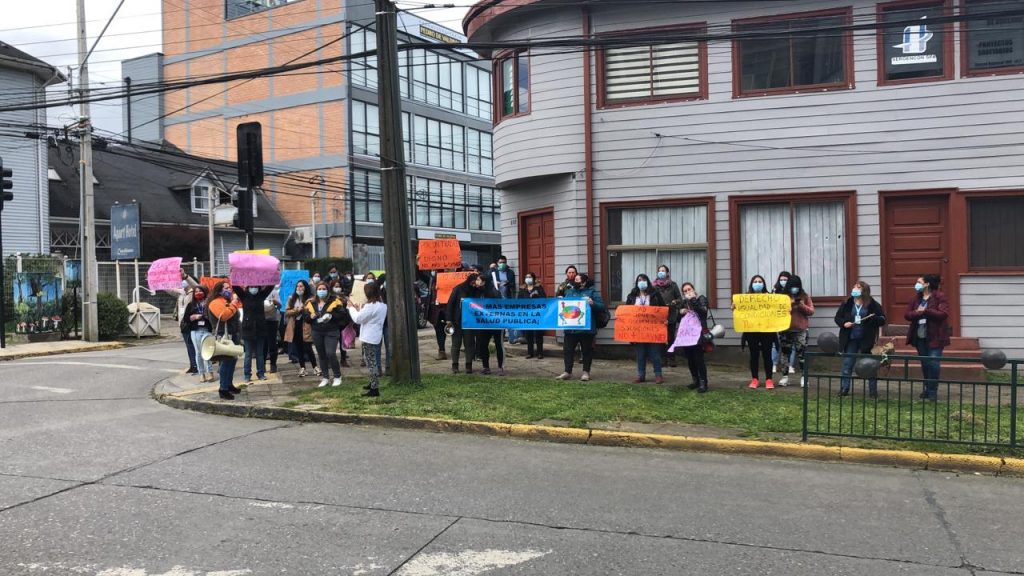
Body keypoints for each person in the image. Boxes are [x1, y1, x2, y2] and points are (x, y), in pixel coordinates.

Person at [835, 281, 886, 397]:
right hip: (851, 339)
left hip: (866, 339)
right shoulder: (847, 303)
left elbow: (882, 319)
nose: (855, 289)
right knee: (847, 364)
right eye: (854, 287)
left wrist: (872, 319)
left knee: (869, 365)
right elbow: (837, 318)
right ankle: (844, 389)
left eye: (858, 288)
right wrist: (844, 323)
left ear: (864, 290)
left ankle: (873, 391)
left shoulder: (872, 304)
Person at [904, 274, 950, 401]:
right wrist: (916, 313)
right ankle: (927, 387)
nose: (917, 284)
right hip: (920, 335)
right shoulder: (916, 298)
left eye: (919, 282)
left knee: (934, 362)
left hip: (936, 335)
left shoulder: (939, 297)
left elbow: (943, 314)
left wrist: (926, 311)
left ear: (927, 284)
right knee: (925, 363)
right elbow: (907, 314)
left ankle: (932, 391)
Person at [557, 272, 605, 382]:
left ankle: (586, 372)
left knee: (587, 351)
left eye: (578, 280)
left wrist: (592, 303)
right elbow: (564, 306)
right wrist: (560, 301)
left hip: (586, 328)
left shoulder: (592, 292)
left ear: (584, 282)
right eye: (575, 280)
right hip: (571, 328)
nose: (575, 282)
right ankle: (567, 371)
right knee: (568, 350)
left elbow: (601, 306)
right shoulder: (569, 292)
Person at [349, 282, 388, 397]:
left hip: (368, 337)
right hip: (376, 335)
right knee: (372, 361)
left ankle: (374, 388)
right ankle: (372, 382)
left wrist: (351, 308)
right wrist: (359, 308)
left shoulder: (370, 307)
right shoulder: (382, 305)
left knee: (371, 362)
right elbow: (366, 315)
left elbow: (357, 318)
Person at [625, 273, 665, 384]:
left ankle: (658, 374)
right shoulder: (632, 296)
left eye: (643, 280)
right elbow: (627, 311)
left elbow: (663, 308)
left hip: (653, 329)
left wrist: (664, 319)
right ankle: (641, 375)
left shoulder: (655, 295)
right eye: (639, 280)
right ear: (637, 283)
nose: (641, 282)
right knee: (640, 353)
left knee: (655, 353)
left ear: (647, 282)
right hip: (638, 330)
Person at [739, 275, 777, 390]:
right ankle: (754, 379)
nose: (757, 283)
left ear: (764, 284)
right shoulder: (746, 298)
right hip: (751, 331)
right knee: (754, 355)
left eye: (760, 281)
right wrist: (735, 307)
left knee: (767, 355)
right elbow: (740, 312)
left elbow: (777, 310)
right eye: (755, 281)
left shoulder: (770, 297)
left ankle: (769, 379)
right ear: (751, 284)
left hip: (767, 331)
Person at [777, 274, 814, 387]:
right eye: (793, 286)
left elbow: (811, 311)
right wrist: (789, 305)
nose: (795, 288)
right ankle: (785, 377)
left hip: (800, 330)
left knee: (802, 354)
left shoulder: (805, 296)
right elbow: (777, 312)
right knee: (784, 354)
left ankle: (804, 377)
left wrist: (801, 305)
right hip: (785, 329)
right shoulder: (783, 297)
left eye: (797, 286)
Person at [206, 281, 242, 400]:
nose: (230, 290)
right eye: (226, 288)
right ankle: (223, 389)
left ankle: (229, 384)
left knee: (232, 361)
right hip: (224, 336)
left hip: (232, 335)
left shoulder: (227, 301)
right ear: (219, 290)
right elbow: (224, 315)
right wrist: (235, 303)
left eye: (230, 288)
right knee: (226, 362)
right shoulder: (215, 302)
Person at [305, 281, 344, 387]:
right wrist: (311, 317)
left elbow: (342, 315)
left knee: (330, 353)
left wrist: (331, 316)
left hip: (331, 331)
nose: (321, 291)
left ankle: (337, 376)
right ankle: (325, 378)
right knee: (321, 355)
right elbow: (306, 318)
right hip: (317, 331)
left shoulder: (335, 301)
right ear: (316, 291)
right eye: (319, 289)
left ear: (327, 290)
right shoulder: (311, 303)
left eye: (323, 289)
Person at [234, 284, 274, 385]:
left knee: (260, 354)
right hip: (248, 329)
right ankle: (247, 375)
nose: (254, 288)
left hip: (260, 328)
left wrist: (274, 274)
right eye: (251, 286)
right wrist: (233, 275)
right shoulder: (244, 296)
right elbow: (235, 287)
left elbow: (270, 286)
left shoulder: (261, 295)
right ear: (248, 287)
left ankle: (261, 373)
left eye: (256, 287)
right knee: (248, 354)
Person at [446, 272, 485, 374]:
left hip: (470, 321)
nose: (473, 285)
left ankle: (469, 365)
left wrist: (479, 287)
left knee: (469, 344)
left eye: (475, 283)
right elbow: (450, 304)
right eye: (472, 283)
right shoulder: (458, 289)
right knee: (456, 344)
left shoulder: (476, 291)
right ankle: (455, 365)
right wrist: (449, 320)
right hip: (457, 321)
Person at [679, 282, 711, 393]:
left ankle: (703, 382)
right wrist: (681, 312)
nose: (688, 292)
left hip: (698, 334)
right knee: (690, 359)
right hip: (687, 335)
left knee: (699, 359)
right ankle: (695, 380)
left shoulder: (701, 299)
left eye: (689, 289)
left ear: (693, 289)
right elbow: (679, 318)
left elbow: (703, 312)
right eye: (685, 291)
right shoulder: (684, 302)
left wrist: (693, 300)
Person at [284, 280, 320, 377]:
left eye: (301, 286)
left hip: (306, 325)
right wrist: (296, 310)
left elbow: (315, 311)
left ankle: (315, 367)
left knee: (308, 346)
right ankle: (302, 367)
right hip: (295, 325)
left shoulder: (310, 299)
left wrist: (305, 307)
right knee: (298, 347)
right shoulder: (292, 298)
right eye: (298, 286)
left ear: (305, 287)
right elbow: (287, 312)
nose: (299, 288)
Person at [652, 264, 683, 368]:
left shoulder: (673, 285)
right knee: (660, 338)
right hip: (659, 317)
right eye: (659, 270)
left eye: (663, 270)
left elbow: (680, 298)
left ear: (667, 273)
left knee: (670, 338)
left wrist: (675, 301)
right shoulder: (654, 286)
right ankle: (662, 359)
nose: (661, 272)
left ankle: (671, 358)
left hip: (671, 315)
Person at [181, 286, 214, 383]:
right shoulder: (191, 305)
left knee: (207, 352)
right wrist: (194, 317)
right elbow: (186, 319)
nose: (198, 293)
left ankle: (210, 372)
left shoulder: (208, 304)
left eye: (200, 291)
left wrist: (206, 317)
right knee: (199, 353)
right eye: (196, 291)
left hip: (207, 330)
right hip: (195, 331)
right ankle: (201, 373)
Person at [171, 270, 200, 374]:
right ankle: (192, 365)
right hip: (182, 324)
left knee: (193, 346)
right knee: (189, 346)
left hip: (191, 324)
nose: (182, 282)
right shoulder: (182, 293)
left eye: (184, 280)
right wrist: (157, 282)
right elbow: (170, 290)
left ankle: (197, 366)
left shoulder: (195, 294)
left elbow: (197, 286)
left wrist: (186, 276)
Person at [476, 279, 506, 375]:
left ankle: (501, 367)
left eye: (479, 280)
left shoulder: (495, 292)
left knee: (499, 345)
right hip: (484, 323)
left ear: (484, 282)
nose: (477, 282)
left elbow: (500, 305)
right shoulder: (478, 292)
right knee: (483, 344)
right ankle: (486, 367)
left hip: (496, 322)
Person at [771, 271, 797, 374]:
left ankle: (790, 365)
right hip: (777, 321)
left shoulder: (793, 291)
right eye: (781, 279)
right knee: (775, 344)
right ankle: (774, 364)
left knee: (792, 344)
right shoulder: (775, 290)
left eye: (785, 279)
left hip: (791, 321)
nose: (783, 281)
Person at [517, 271, 546, 359]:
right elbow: (518, 301)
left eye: (530, 277)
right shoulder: (522, 289)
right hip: (527, 315)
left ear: (533, 279)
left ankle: (540, 352)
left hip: (537, 314)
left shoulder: (539, 288)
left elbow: (544, 299)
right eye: (526, 277)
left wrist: (537, 295)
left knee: (538, 334)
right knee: (528, 334)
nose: (528, 278)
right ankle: (530, 352)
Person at [427, 270, 449, 361]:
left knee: (445, 331)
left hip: (446, 310)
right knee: (439, 331)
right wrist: (418, 263)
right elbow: (419, 274)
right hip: (436, 312)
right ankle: (441, 350)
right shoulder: (432, 282)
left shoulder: (448, 282)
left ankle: (443, 349)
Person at [331, 280, 352, 367]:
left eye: (338, 286)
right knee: (332, 343)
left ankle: (343, 359)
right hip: (334, 323)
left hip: (343, 323)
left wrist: (346, 300)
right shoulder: (330, 297)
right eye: (335, 286)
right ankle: (331, 360)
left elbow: (348, 308)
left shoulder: (344, 297)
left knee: (343, 342)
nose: (337, 288)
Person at [262, 284, 282, 374]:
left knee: (272, 343)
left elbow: (279, 306)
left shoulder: (274, 292)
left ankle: (273, 364)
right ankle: (262, 365)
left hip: (272, 320)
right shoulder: (258, 292)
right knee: (263, 344)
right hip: (261, 321)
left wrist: (275, 302)